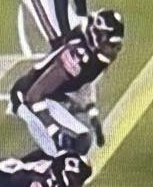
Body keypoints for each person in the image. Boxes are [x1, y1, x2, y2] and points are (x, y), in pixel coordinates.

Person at [9, 9, 124, 155]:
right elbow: (34, 95)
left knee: (82, 140)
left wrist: (92, 115)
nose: (114, 49)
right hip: (26, 98)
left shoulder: (91, 57)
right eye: (111, 44)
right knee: (63, 152)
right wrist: (55, 132)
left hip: (48, 96)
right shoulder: (78, 56)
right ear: (97, 36)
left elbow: (85, 85)